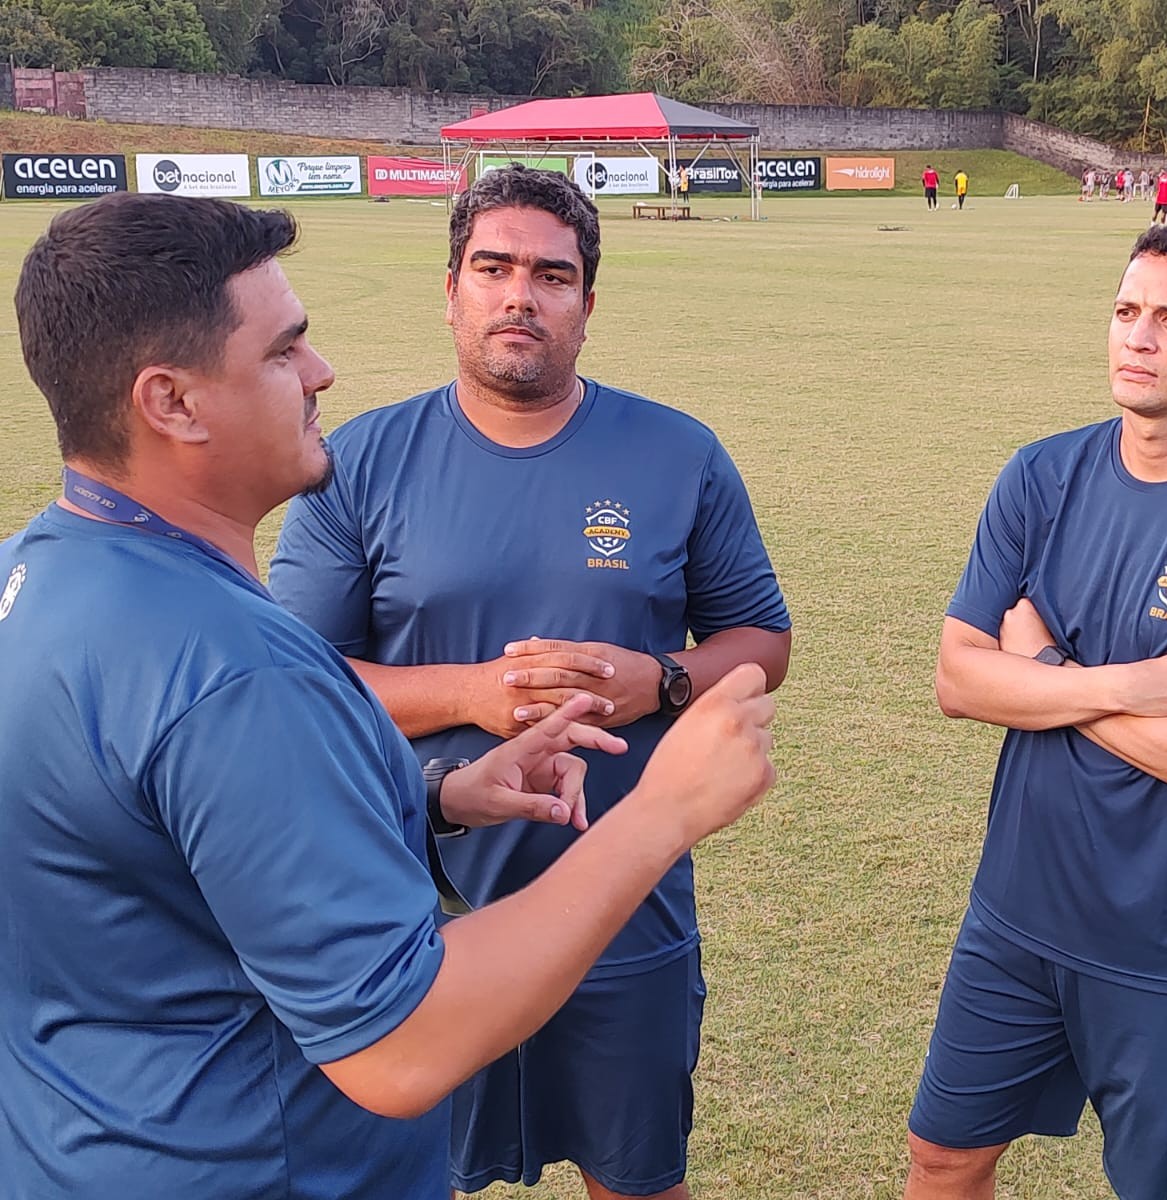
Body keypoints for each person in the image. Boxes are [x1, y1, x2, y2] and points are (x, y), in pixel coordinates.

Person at [0, 193, 778, 1200]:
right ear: (175, 402)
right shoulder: (237, 669)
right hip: (249, 1162)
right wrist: (667, 810)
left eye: (552, 275)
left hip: (78, 1141)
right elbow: (400, 1048)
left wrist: (440, 796)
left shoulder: (35, 574)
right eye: (284, 352)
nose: (320, 372)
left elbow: (155, 834)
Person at [270, 166, 792, 1200]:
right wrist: (467, 695)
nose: (521, 295)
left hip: (620, 903)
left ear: (587, 308)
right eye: (493, 268)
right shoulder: (359, 462)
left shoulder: (675, 452)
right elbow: (296, 681)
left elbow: (762, 640)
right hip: (410, 910)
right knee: (410, 1172)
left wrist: (668, 677)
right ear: (452, 289)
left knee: (636, 1176)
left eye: (551, 276)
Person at [900, 224, 1167, 1200]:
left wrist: (1039, 667)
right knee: (942, 1156)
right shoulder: (1041, 476)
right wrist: (1117, 682)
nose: (1137, 338)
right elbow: (959, 681)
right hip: (1013, 917)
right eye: (1126, 312)